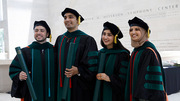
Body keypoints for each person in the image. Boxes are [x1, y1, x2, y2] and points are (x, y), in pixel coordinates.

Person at [54, 8, 98, 101]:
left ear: (77, 20)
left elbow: (93, 66)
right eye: (65, 18)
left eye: (71, 17)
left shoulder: (87, 40)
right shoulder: (60, 39)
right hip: (60, 87)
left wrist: (78, 70)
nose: (67, 20)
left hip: (78, 88)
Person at [9, 20, 56, 101]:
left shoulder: (55, 50)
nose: (38, 32)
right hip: (30, 93)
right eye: (36, 30)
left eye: (42, 30)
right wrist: (19, 75)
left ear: (47, 34)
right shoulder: (25, 51)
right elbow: (13, 69)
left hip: (52, 92)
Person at [125, 17, 167, 101]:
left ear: (144, 32)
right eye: (131, 30)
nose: (133, 32)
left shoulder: (148, 51)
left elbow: (150, 83)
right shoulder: (135, 51)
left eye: (137, 29)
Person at [94, 21, 130, 101]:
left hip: (115, 96)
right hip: (99, 94)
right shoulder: (100, 53)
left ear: (115, 37)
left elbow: (124, 80)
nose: (105, 37)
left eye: (109, 35)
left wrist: (109, 78)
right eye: (104, 34)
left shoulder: (123, 55)